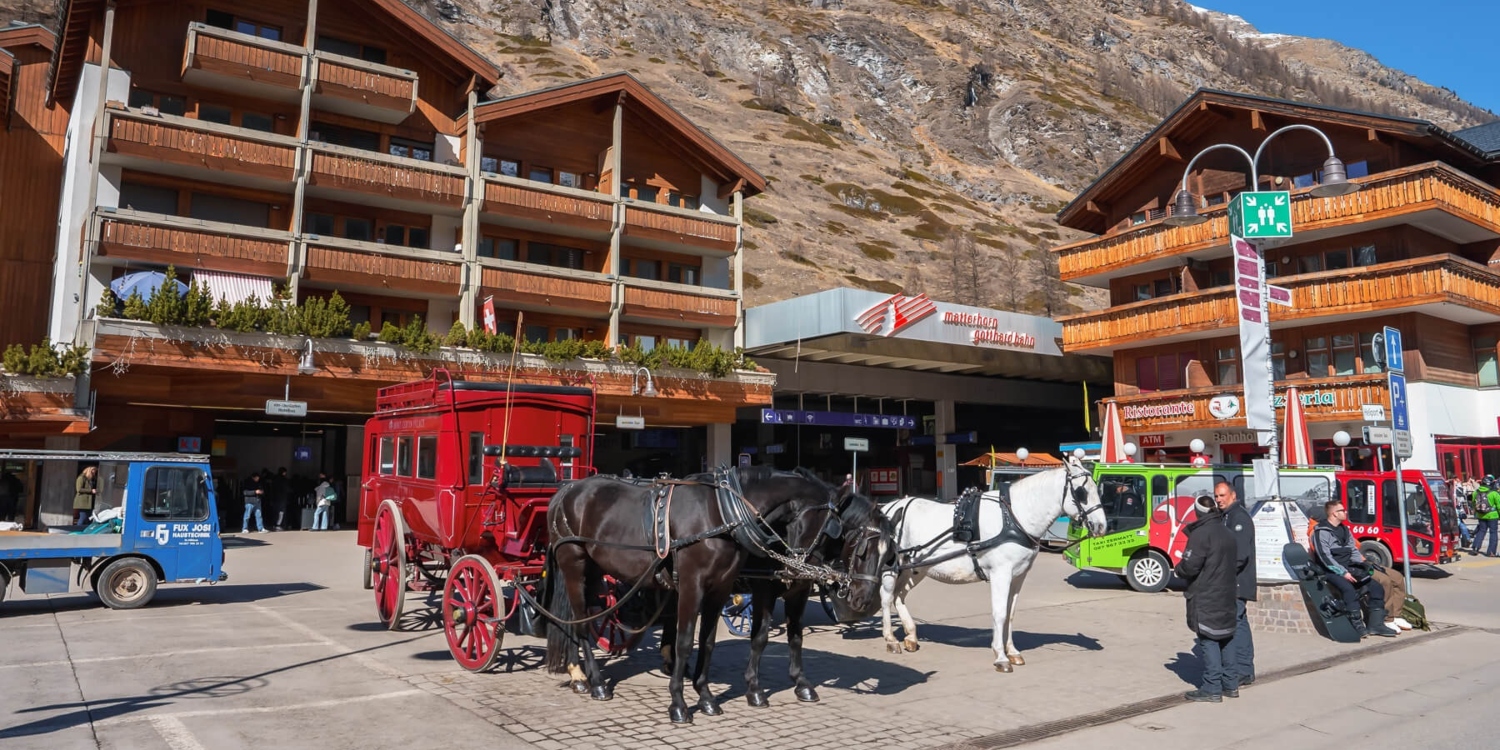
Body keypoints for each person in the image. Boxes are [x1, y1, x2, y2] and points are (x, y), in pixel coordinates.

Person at [1175, 495, 1240, 702]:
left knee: (1209, 638)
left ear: (1198, 512)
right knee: (1227, 637)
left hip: (1207, 594)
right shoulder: (1228, 532)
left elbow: (1190, 565)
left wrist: (1179, 569)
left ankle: (1212, 687)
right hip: (1227, 592)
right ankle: (1230, 684)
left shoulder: (1201, 534)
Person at [1313, 500, 1397, 638]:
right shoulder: (1321, 531)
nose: (1345, 512)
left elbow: (1353, 550)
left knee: (1376, 587)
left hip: (1349, 567)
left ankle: (1376, 625)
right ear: (1334, 513)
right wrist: (1343, 572)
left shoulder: (1345, 530)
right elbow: (1325, 557)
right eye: (1342, 510)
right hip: (1330, 571)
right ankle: (1356, 625)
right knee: (1348, 589)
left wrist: (1364, 563)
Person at [1213, 482, 1257, 687]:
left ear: (1233, 495)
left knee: (1237, 624)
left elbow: (1240, 555)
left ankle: (1243, 670)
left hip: (1237, 581)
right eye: (1216, 496)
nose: (1219, 499)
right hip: (1231, 581)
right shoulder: (1226, 516)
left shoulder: (1239, 517)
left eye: (1222, 495)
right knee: (1239, 623)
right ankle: (1242, 668)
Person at [1470, 475, 1499, 557]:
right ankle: (1491, 552)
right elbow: (1499, 506)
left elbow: (1473, 504)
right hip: (1492, 516)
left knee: (1481, 531)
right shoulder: (1494, 493)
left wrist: (1476, 513)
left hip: (1481, 515)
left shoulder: (1476, 492)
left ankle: (1475, 547)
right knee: (1493, 533)